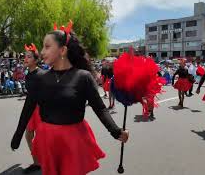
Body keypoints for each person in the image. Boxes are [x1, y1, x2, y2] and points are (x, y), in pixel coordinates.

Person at [11, 21, 129, 175]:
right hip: (47, 140)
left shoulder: (83, 77)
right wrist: (18, 135)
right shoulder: (40, 78)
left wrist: (116, 131)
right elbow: (28, 109)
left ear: (62, 50)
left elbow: (100, 108)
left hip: (73, 140)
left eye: (47, 46)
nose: (41, 52)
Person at [21, 43, 43, 174]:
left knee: (43, 138)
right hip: (31, 109)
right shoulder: (28, 74)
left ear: (35, 59)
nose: (25, 59)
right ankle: (37, 162)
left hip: (41, 110)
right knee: (28, 135)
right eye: (25, 56)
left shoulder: (42, 74)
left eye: (29, 57)